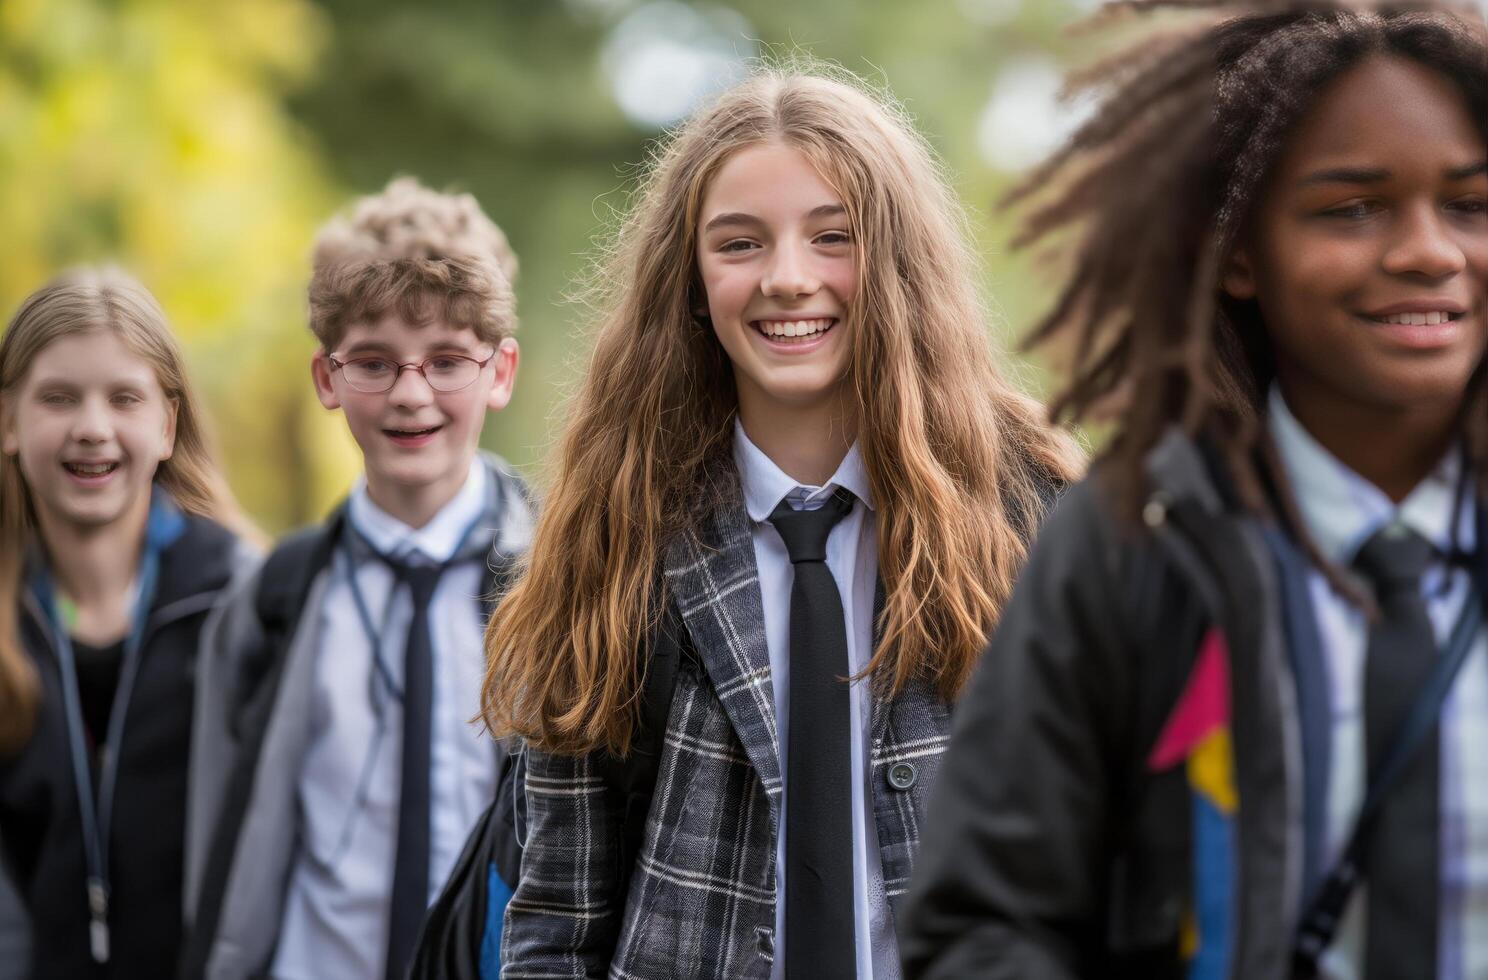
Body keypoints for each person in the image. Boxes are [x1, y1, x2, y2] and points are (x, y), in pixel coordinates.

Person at [899, 2, 1488, 978]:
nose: (1426, 249)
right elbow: (984, 921)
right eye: (1351, 207)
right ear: (1240, 253)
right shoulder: (1133, 543)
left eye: (1470, 205)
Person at [484, 66, 1081, 978]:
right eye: (739, 244)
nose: (788, 279)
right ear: (689, 277)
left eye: (833, 237)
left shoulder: (1031, 514)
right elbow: (558, 921)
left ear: (896, 262)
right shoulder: (615, 536)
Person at [182, 177, 535, 980]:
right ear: (327, 380)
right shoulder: (271, 602)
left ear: (502, 370)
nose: (412, 395)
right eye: (373, 363)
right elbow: (218, 841)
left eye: (448, 360)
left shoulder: (561, 586)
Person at [0, 266, 255, 979]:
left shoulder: (245, 606)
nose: (92, 427)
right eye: (57, 398)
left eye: (124, 398)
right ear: (8, 423)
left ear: (167, 425)